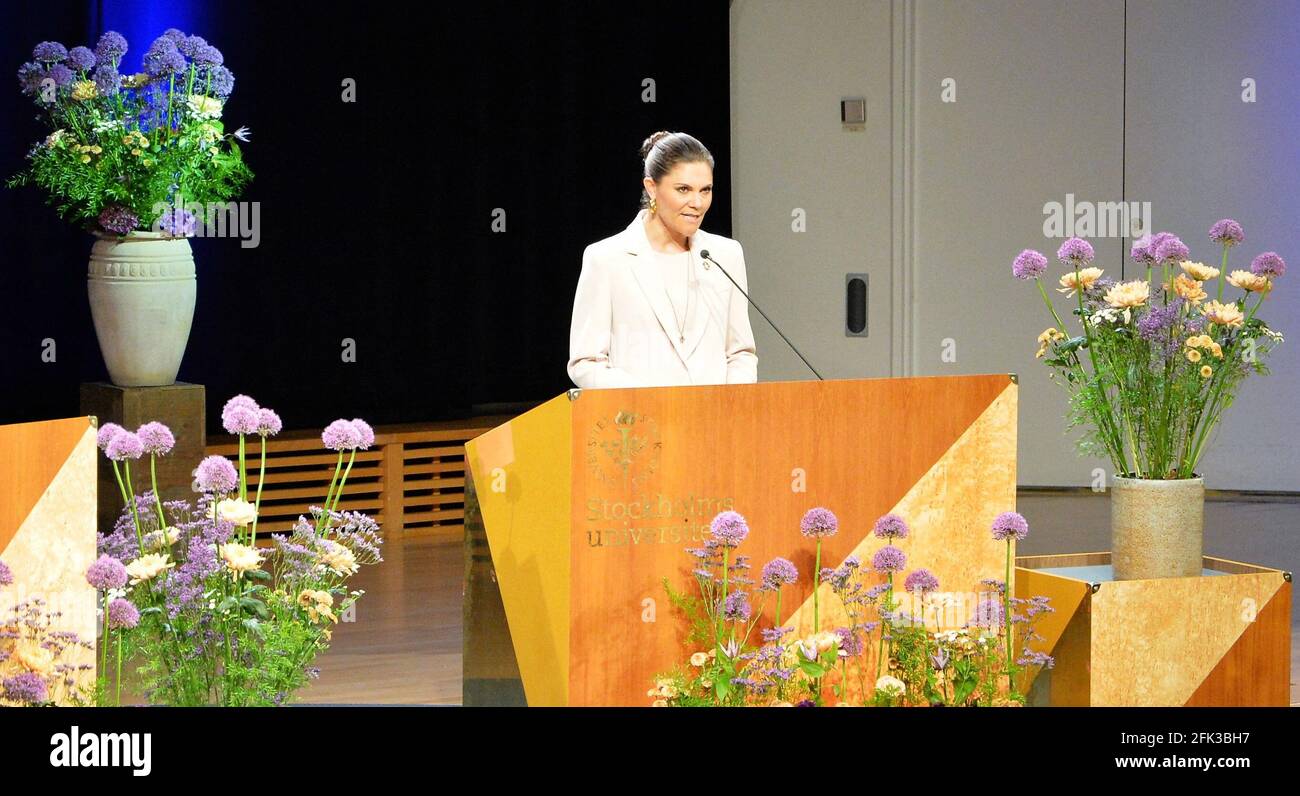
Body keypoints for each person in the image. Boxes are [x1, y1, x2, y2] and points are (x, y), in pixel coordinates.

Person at [566, 131, 758, 388]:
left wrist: (731, 402)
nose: (697, 202)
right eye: (683, 190)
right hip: (642, 423)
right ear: (652, 188)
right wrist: (650, 403)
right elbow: (586, 362)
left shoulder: (726, 255)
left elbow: (740, 353)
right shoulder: (607, 259)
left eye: (706, 190)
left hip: (715, 422)